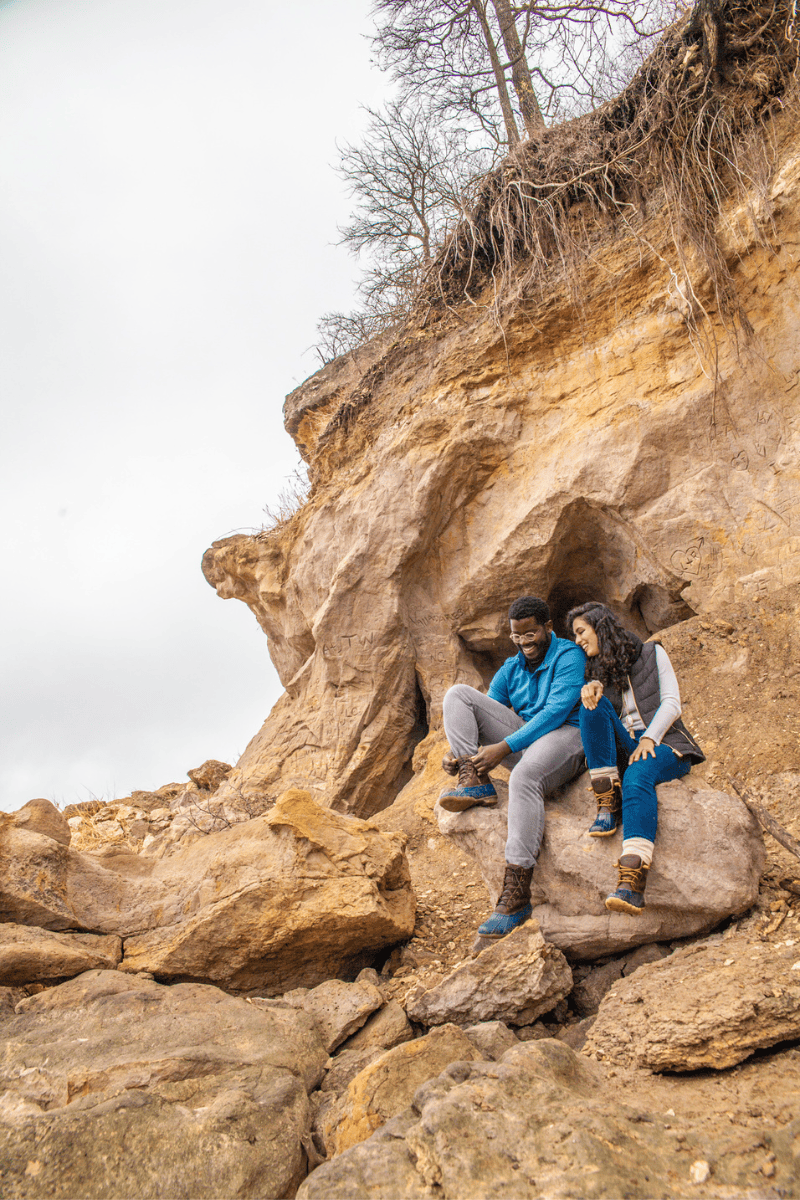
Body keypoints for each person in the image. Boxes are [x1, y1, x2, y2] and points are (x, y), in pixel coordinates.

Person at [439, 596, 586, 946]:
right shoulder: (511, 668)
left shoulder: (569, 656)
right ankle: (473, 780)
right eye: (517, 636)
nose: (524, 642)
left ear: (548, 628)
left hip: (567, 736)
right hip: (527, 742)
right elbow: (484, 712)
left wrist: (503, 748)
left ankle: (517, 896)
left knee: (523, 777)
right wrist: (460, 755)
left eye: (531, 634)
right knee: (458, 695)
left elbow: (555, 712)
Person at [567, 602, 705, 915]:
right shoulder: (595, 669)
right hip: (628, 746)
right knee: (591, 703)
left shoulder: (651, 652)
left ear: (599, 626)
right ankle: (607, 800)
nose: (577, 640)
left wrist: (649, 738)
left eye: (581, 632)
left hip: (666, 743)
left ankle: (632, 883)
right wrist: (591, 690)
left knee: (638, 775)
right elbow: (599, 723)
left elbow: (672, 704)